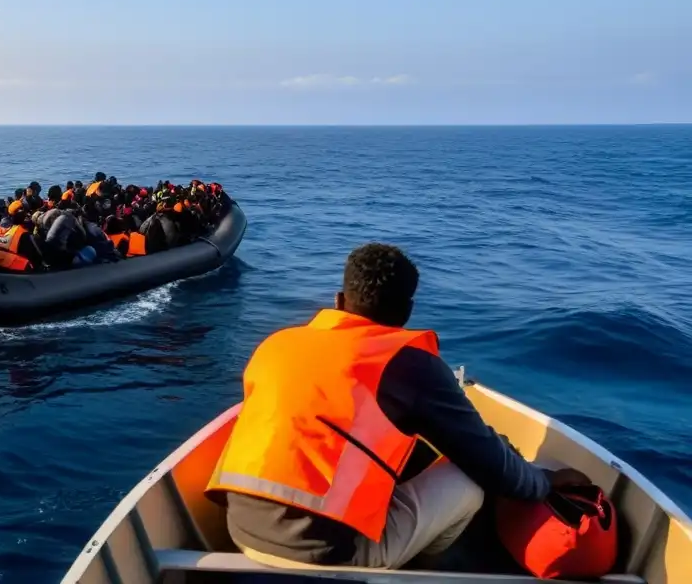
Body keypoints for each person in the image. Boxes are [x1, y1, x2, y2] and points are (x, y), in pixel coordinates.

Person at [206, 242, 589, 570]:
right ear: (406, 313)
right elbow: (489, 463)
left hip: (239, 531)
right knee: (470, 481)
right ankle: (417, 570)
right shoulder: (410, 364)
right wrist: (542, 482)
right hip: (329, 555)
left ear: (339, 301)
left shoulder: (278, 344)